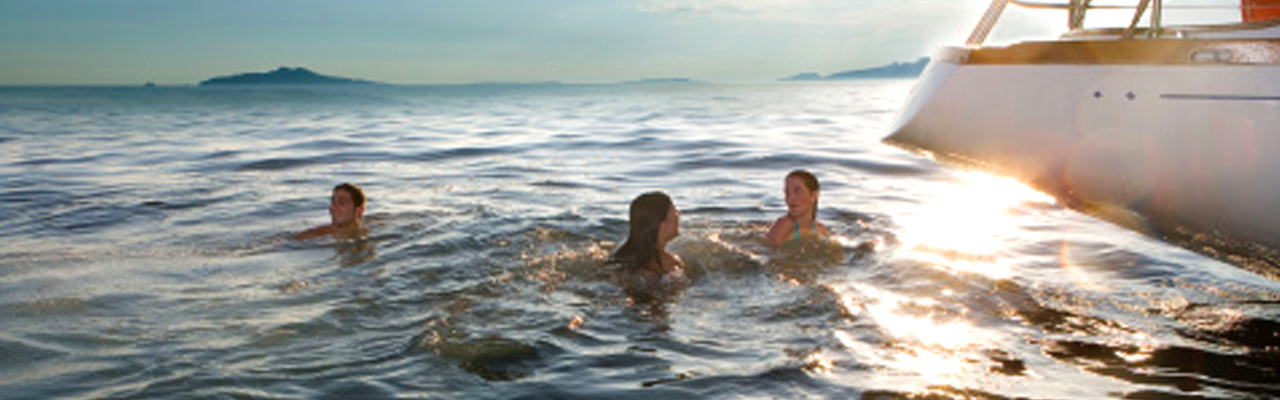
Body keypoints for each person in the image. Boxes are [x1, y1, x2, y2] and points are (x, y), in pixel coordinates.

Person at [610, 191, 687, 295]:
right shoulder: (669, 266)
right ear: (661, 224)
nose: (679, 214)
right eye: (674, 211)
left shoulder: (622, 258)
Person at [764, 170, 831, 247]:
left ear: (813, 195)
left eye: (797, 191)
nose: (790, 198)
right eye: (787, 193)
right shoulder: (783, 226)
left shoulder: (821, 230)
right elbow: (766, 250)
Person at [296, 182, 367, 240]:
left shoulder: (367, 232)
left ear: (359, 210)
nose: (333, 208)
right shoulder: (318, 234)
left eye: (341, 203)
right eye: (333, 202)